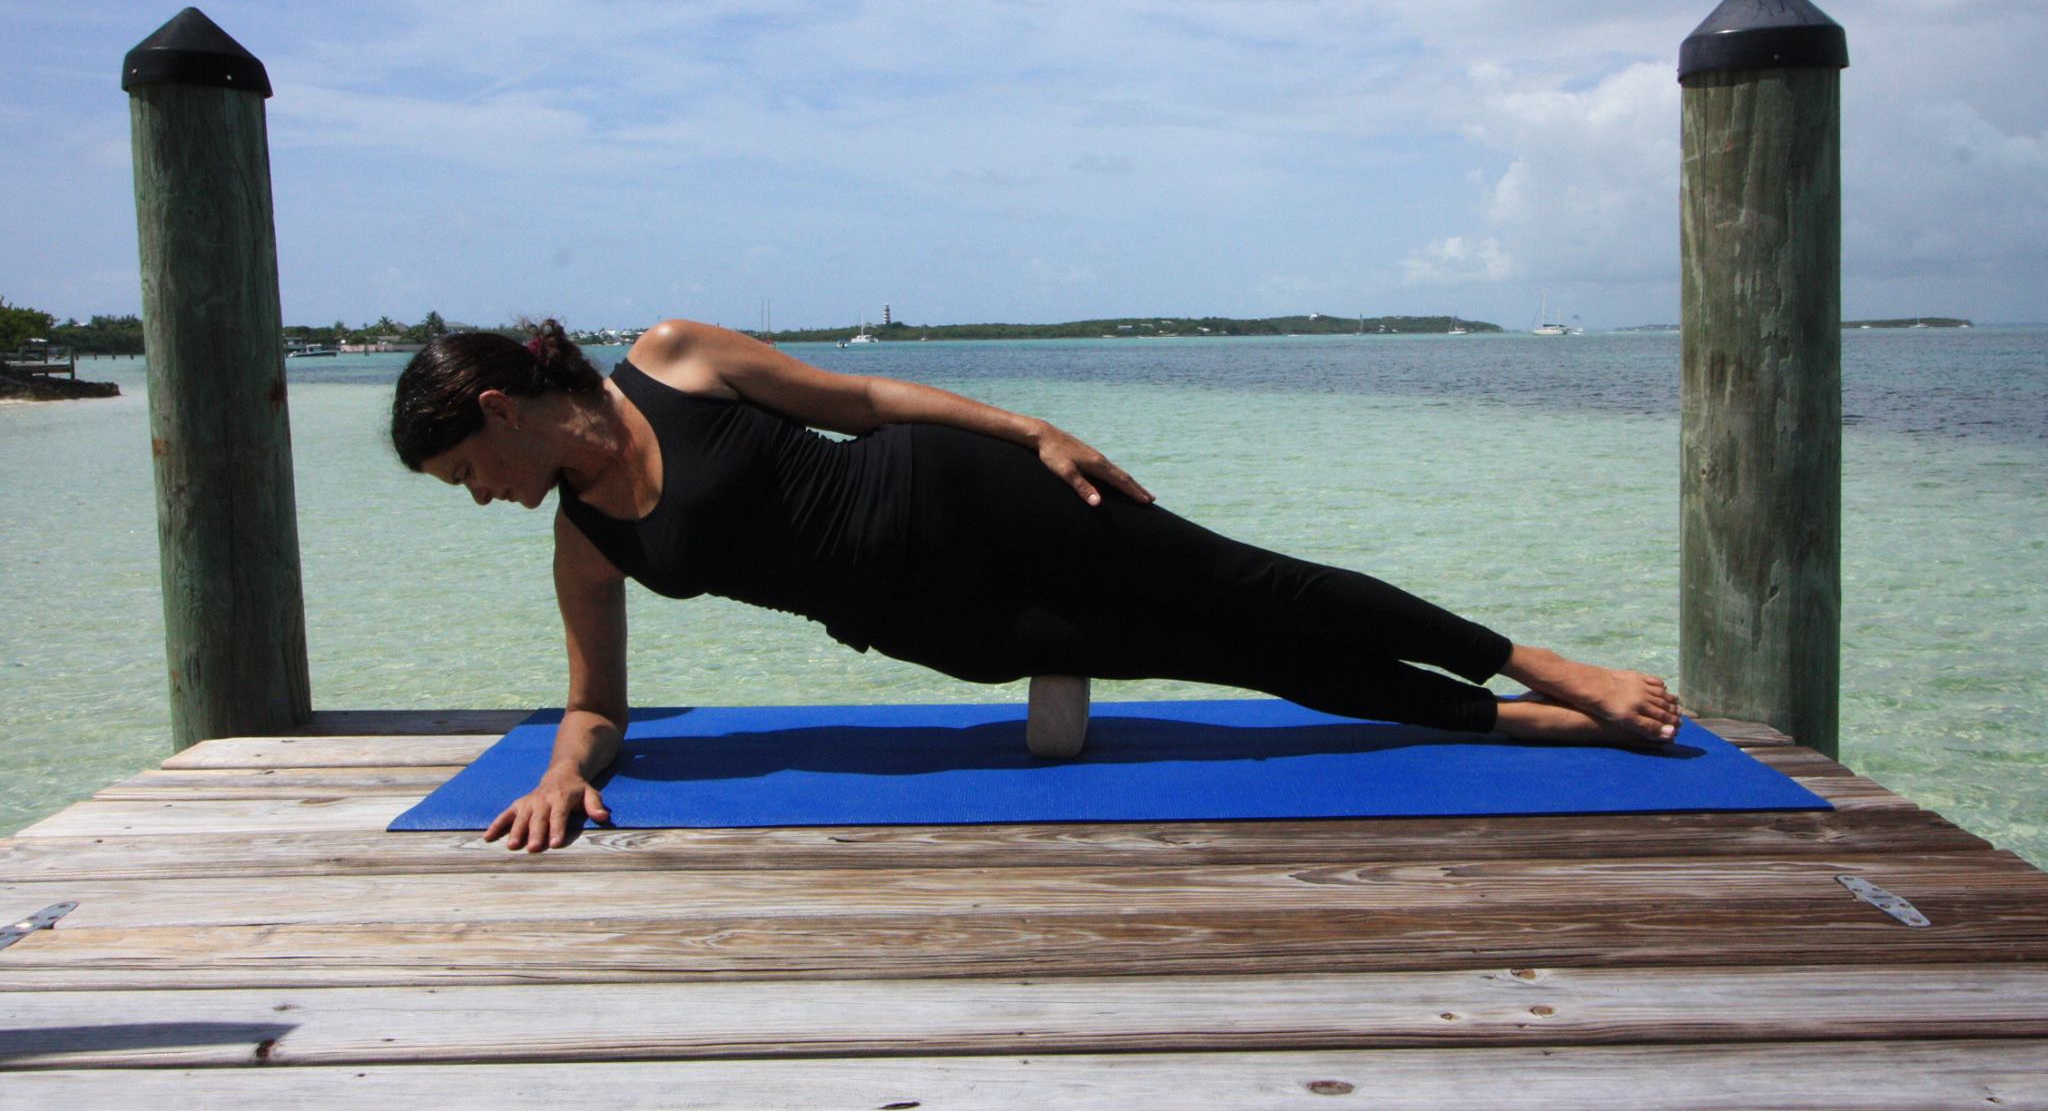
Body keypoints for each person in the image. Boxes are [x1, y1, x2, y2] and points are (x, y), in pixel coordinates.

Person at [392, 318, 1683, 853]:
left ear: (501, 407)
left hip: (964, 491)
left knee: (1251, 586)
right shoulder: (586, 543)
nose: (479, 496)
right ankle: (1501, 719)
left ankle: (1533, 664)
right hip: (950, 624)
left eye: (465, 472)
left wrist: (1032, 431)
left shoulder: (672, 358)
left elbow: (865, 396)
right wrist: (564, 773)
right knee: (1240, 657)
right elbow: (597, 703)